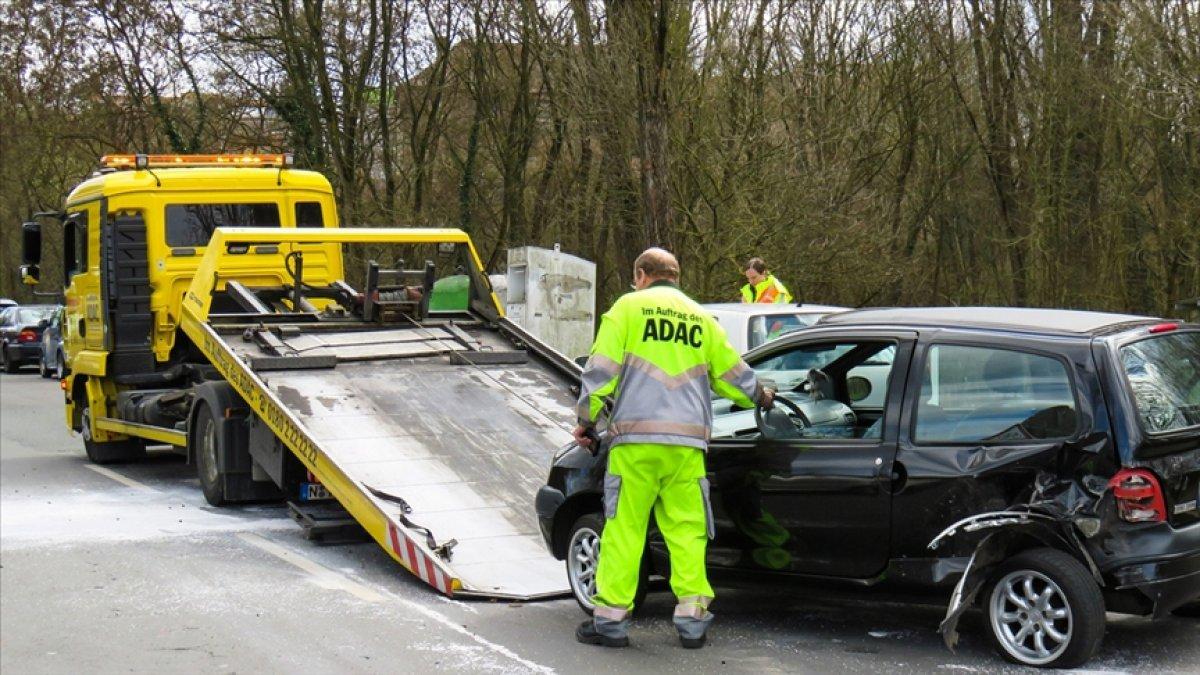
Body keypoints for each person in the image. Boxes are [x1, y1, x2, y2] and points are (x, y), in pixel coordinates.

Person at [573, 247, 774, 649]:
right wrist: (762, 396)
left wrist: (585, 420)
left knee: (625, 529)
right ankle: (692, 620)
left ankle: (611, 620)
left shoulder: (627, 309)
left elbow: (601, 373)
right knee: (687, 532)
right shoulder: (702, 319)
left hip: (636, 443)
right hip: (687, 446)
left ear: (642, 275)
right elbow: (734, 375)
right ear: (676, 277)